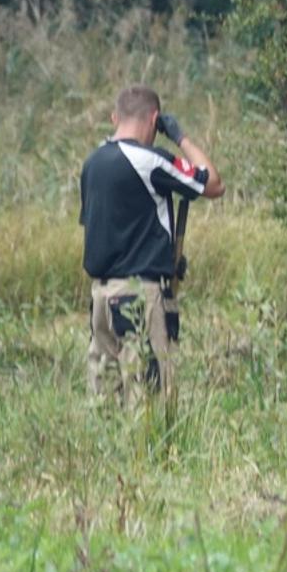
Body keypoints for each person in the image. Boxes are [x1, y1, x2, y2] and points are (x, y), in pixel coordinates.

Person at [79, 85, 225, 404]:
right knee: (149, 403)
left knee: (105, 405)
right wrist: (180, 137)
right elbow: (213, 183)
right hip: (138, 297)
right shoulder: (150, 161)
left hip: (101, 300)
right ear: (155, 119)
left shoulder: (92, 164)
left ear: (115, 117)